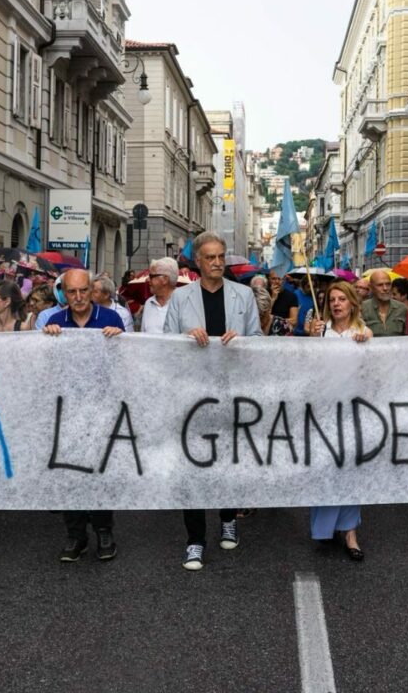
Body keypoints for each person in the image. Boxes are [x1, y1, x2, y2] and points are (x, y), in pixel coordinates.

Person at [163, 231, 260, 571]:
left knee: (229, 461)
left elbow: (259, 341)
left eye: (221, 256)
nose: (218, 262)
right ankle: (194, 540)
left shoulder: (244, 296)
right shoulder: (180, 298)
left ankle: (227, 516)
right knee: (193, 466)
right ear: (198, 262)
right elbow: (165, 344)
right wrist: (185, 338)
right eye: (211, 258)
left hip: (232, 391)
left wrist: (244, 340)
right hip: (193, 395)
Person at [41, 268, 125, 562]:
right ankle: (75, 534)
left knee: (100, 470)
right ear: (63, 293)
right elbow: (45, 368)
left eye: (83, 291)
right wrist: (47, 342)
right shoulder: (54, 322)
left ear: (92, 291)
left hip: (102, 409)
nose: (77, 298)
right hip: (67, 411)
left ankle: (104, 529)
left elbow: (127, 364)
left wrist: (120, 341)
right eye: (71, 292)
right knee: (69, 473)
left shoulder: (111, 319)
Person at [306, 281, 370, 560]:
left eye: (342, 299)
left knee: (351, 470)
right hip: (324, 411)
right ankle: (326, 526)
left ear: (353, 303)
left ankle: (350, 532)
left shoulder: (362, 332)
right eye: (332, 299)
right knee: (326, 468)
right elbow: (306, 368)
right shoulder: (322, 333)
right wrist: (310, 341)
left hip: (355, 410)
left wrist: (367, 339)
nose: (336, 304)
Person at [361, 269, 407, 337]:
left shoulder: (402, 308)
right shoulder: (362, 308)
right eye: (380, 285)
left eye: (388, 284)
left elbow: (407, 337)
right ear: (371, 287)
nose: (385, 288)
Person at [140, 258, 178, 334]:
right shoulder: (148, 303)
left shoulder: (184, 302)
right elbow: (143, 337)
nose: (147, 280)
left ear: (165, 279)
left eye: (151, 276)